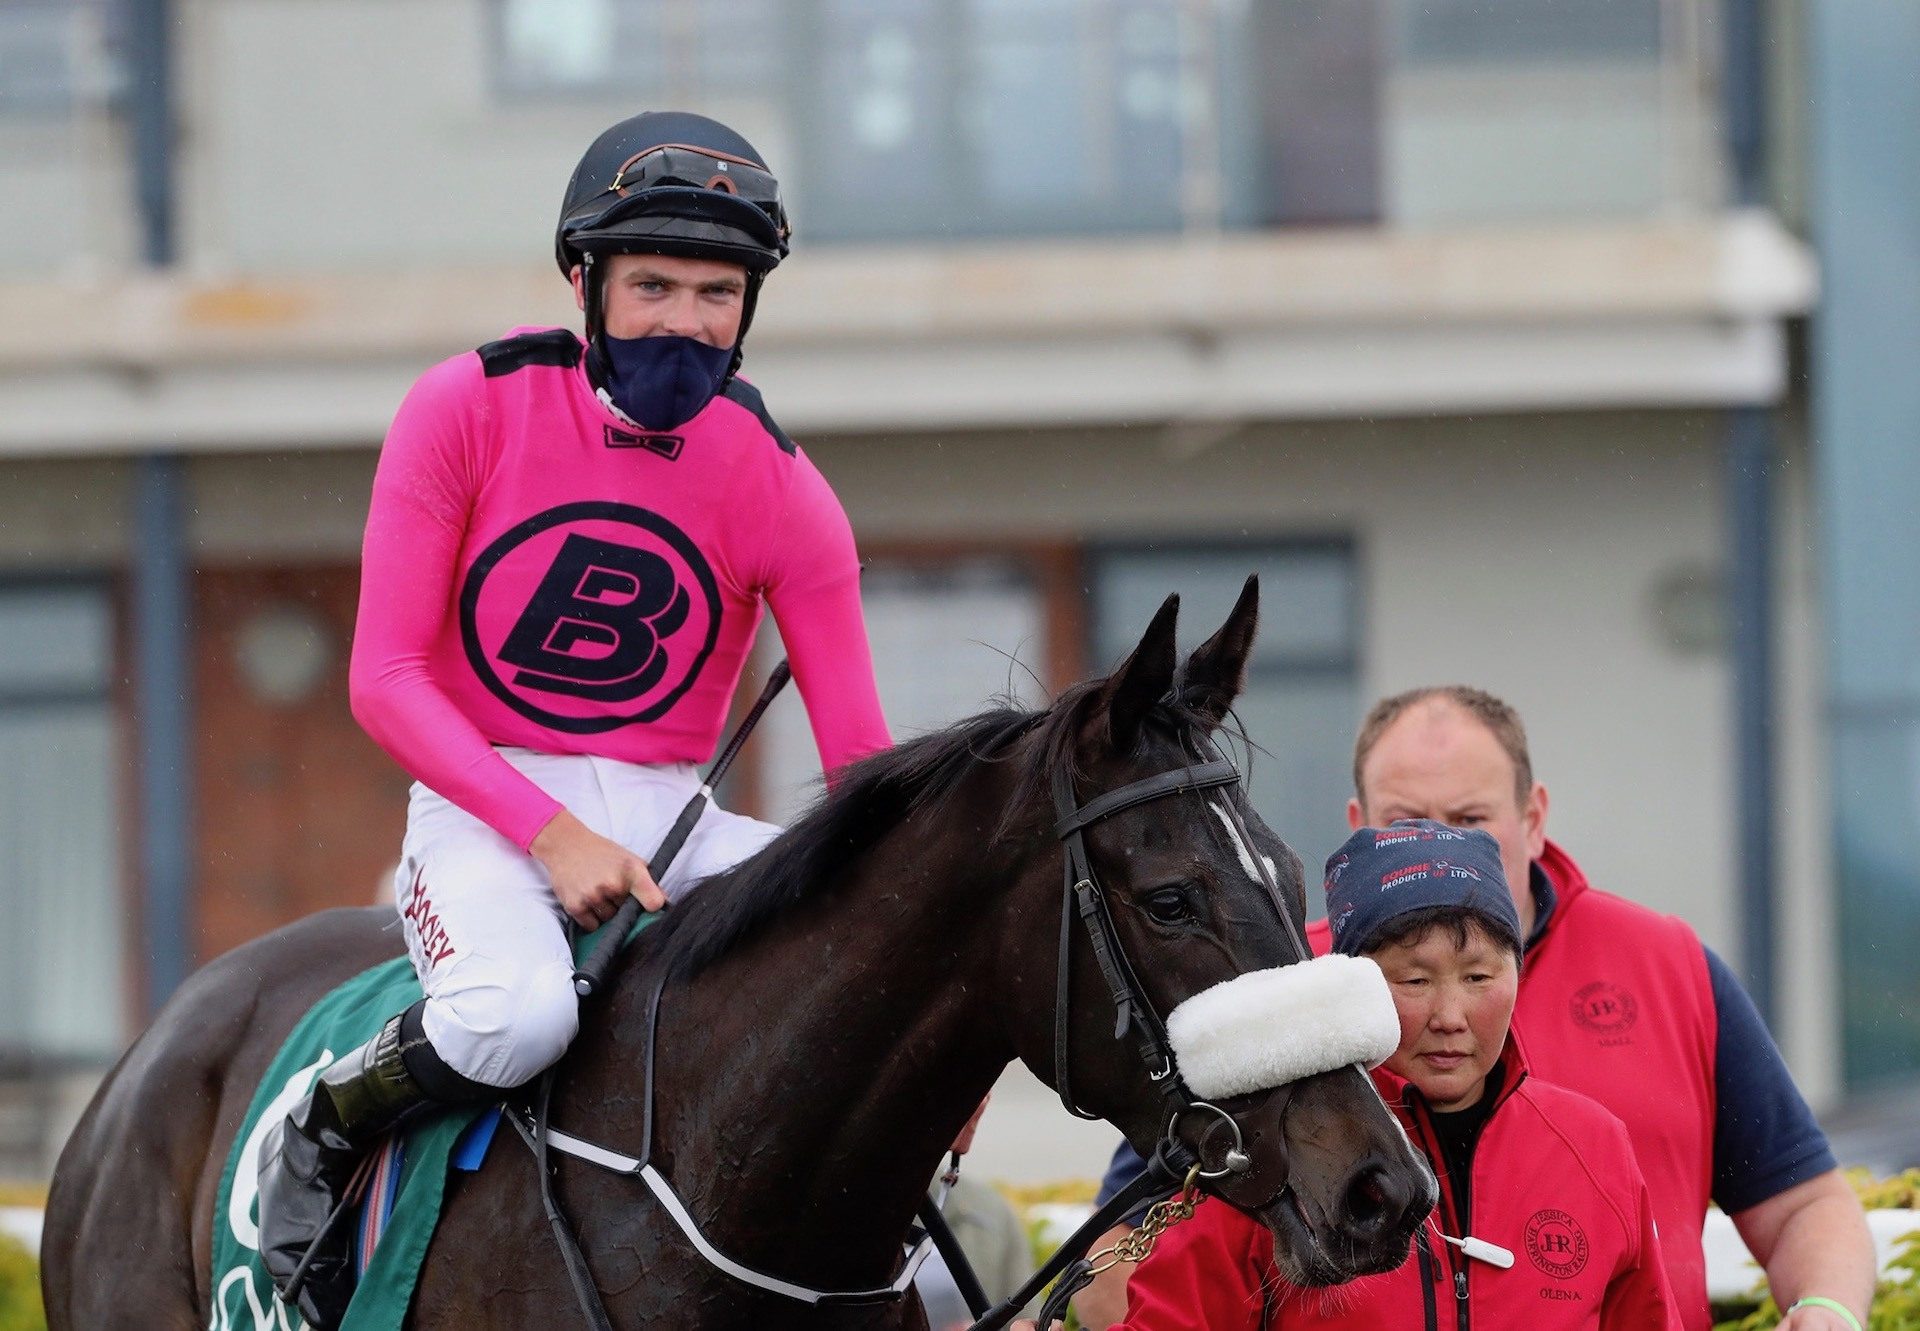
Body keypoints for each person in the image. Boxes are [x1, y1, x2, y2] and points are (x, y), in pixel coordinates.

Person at [255, 110, 892, 1329]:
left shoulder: (784, 483)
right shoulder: (465, 407)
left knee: (887, 961)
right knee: (519, 1013)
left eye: (718, 292)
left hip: (674, 809)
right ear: (582, 279)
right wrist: (550, 834)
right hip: (484, 795)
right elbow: (385, 676)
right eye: (652, 284)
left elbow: (863, 762)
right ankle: (326, 1118)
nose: (685, 321)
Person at [1079, 686, 1873, 1331]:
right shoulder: (1277, 992)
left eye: (1469, 819)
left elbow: (1803, 1199)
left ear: (1532, 817)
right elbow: (1129, 1242)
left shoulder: (1669, 967)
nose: (1449, 1014)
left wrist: (1830, 1309)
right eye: (1411, 979)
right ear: (1358, 829)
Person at [1102, 819, 1678, 1329]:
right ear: (1351, 989)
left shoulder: (1593, 1148)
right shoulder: (1270, 1150)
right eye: (1414, 981)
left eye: (1479, 978)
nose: (1450, 1018)